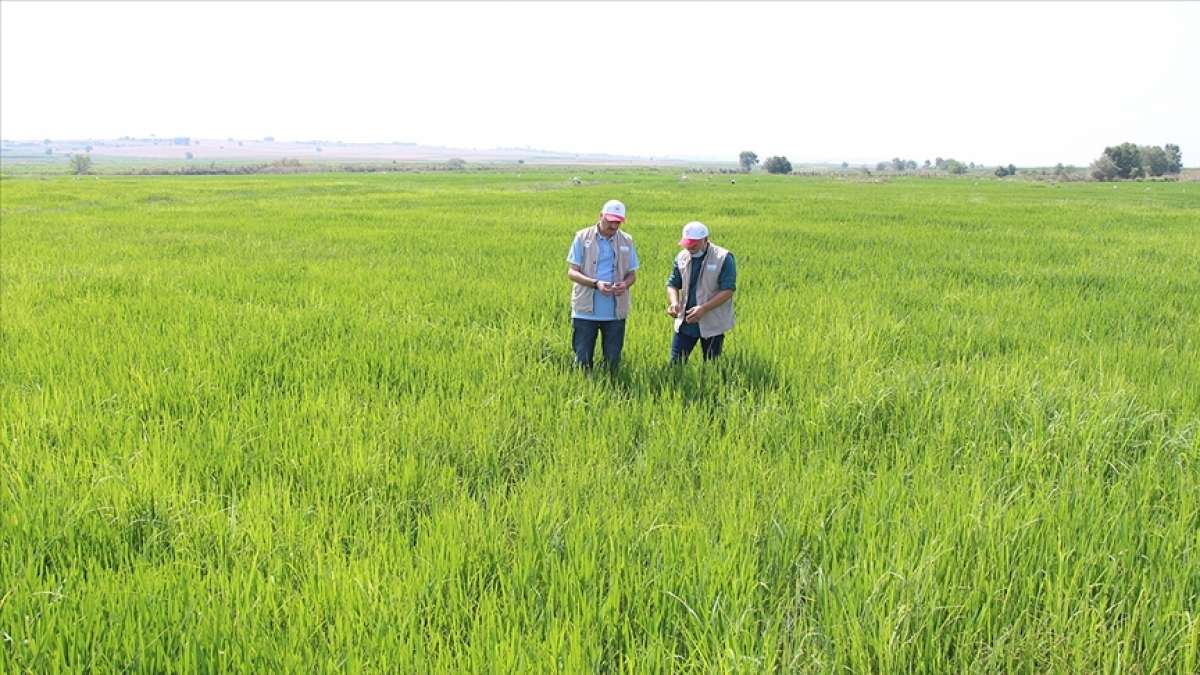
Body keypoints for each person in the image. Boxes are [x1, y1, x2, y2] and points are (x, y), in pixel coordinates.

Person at [566, 199, 639, 369]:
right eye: (610, 221)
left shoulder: (627, 241)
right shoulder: (582, 237)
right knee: (582, 360)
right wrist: (596, 283)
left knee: (613, 361)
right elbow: (572, 272)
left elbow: (632, 275)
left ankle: (612, 391)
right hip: (585, 311)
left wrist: (625, 284)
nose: (613, 226)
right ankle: (585, 390)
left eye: (618, 222)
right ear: (601, 216)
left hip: (615, 312)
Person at [665, 221, 736, 362]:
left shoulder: (723, 258)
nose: (690, 248)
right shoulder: (682, 257)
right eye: (687, 244)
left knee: (711, 365)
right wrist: (674, 303)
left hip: (713, 322)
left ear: (706, 240)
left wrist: (703, 309)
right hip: (686, 322)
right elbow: (673, 284)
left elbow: (728, 290)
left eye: (694, 244)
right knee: (675, 364)